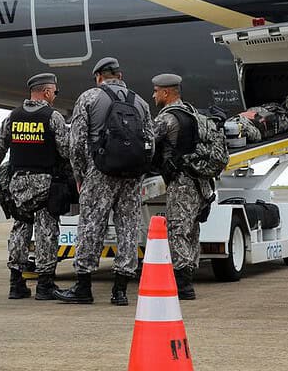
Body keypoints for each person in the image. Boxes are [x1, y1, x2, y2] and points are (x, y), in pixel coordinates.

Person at [55, 57, 153, 305]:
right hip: (130, 177)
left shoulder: (89, 98)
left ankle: (84, 287)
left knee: (90, 227)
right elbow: (150, 144)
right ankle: (120, 290)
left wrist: (80, 176)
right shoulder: (139, 102)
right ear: (120, 75)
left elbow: (75, 143)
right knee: (129, 229)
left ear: (99, 76)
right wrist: (138, 173)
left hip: (99, 174)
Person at [0, 73, 70, 300]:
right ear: (46, 92)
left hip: (18, 183)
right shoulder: (53, 117)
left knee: (20, 229)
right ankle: (45, 285)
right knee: (46, 231)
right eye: (54, 91)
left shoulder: (12, 117)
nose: (54, 95)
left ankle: (16, 283)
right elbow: (65, 150)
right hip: (44, 182)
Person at [151, 73, 215, 300]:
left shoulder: (167, 119)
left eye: (156, 91)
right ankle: (189, 275)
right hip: (201, 182)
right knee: (191, 230)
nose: (154, 95)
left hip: (181, 183)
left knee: (177, 230)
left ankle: (183, 285)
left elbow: (147, 142)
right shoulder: (194, 115)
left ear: (166, 93)